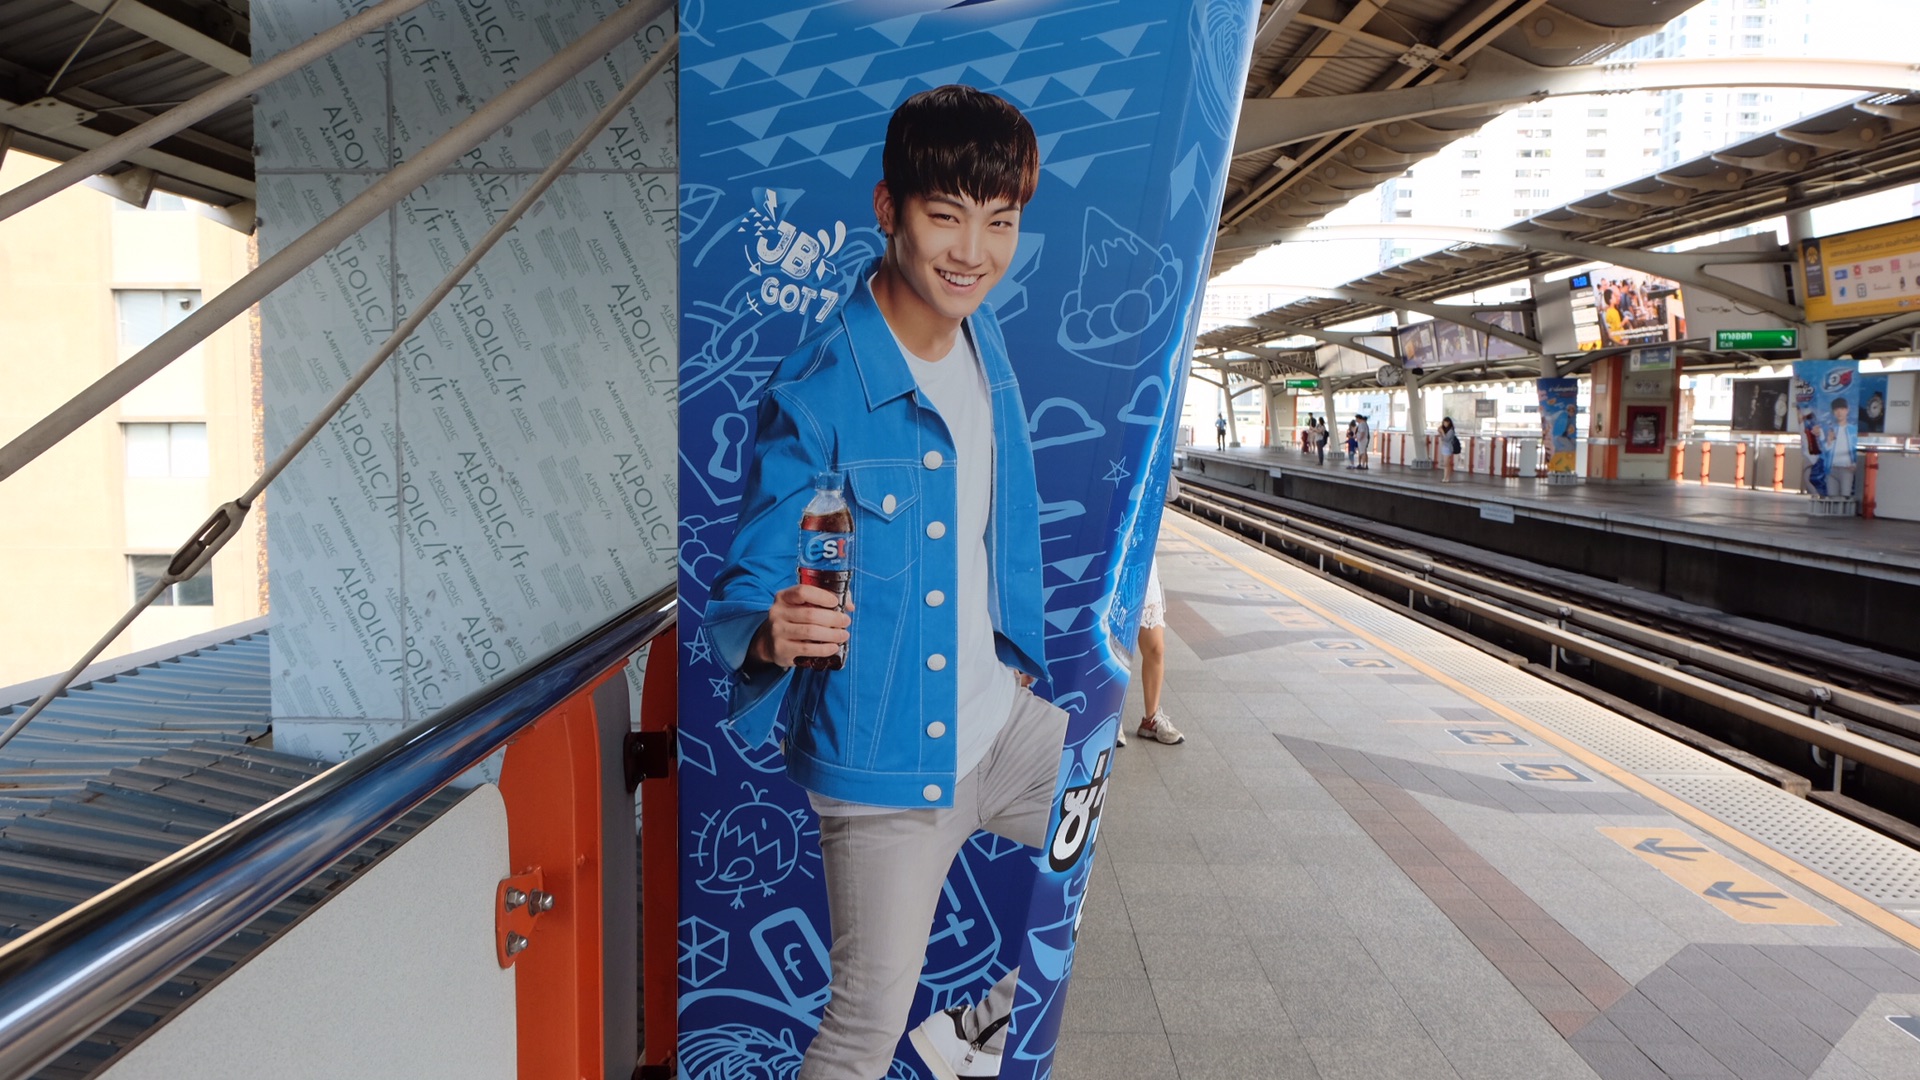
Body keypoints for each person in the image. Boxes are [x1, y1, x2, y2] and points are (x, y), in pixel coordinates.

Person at [703, 86, 1062, 1080]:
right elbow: (748, 581)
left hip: (998, 728)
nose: (973, 252)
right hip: (883, 763)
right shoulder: (820, 389)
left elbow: (999, 521)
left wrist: (1011, 653)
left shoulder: (986, 343)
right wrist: (770, 628)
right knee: (864, 1029)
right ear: (887, 209)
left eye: (1000, 222)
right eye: (946, 216)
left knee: (1116, 838)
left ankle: (977, 1029)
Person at [1116, 556, 1184, 748]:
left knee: (1156, 648)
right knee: (1116, 645)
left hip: (1143, 557)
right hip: (1113, 555)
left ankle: (1151, 719)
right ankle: (1110, 718)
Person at [1825, 397, 1857, 499]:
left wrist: (1855, 463)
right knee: (1832, 497)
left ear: (1847, 410)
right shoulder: (1830, 429)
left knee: (1845, 496)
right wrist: (1829, 441)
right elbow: (1825, 451)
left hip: (1847, 468)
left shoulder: (1853, 430)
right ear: (1833, 412)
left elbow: (1857, 448)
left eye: (1842, 409)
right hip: (1831, 468)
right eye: (1836, 410)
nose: (1839, 412)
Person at [1438, 416, 1458, 482]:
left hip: (1448, 448)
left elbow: (1446, 439)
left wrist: (1442, 432)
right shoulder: (1446, 430)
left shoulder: (1451, 430)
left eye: (1445, 423)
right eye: (1444, 423)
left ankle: (1446, 478)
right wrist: (1440, 432)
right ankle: (1445, 477)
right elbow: (1443, 438)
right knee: (1446, 464)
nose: (1444, 424)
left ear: (1449, 422)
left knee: (1446, 464)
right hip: (1444, 447)